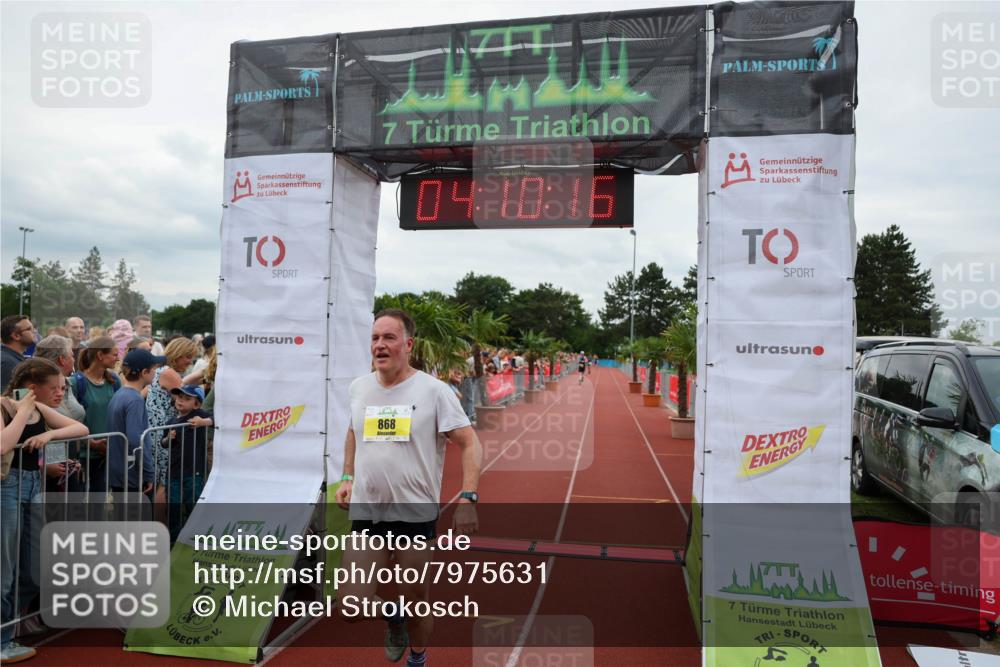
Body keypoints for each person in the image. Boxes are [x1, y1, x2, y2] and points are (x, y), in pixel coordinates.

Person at [335, 308, 482, 667]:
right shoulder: (359, 387)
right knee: (351, 605)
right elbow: (354, 430)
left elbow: (469, 442)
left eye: (389, 337)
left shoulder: (433, 391)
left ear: (408, 344)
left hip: (414, 513)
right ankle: (393, 615)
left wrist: (468, 496)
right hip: (369, 509)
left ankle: (418, 658)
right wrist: (347, 476)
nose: (380, 345)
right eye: (375, 338)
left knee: (418, 600)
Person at [1, 359, 89, 663]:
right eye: (55, 388)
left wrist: (48, 434)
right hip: (6, 490)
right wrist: (23, 410)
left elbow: (81, 427)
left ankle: (8, 632)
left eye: (63, 388)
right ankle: (3, 640)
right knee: (5, 572)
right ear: (33, 387)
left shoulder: (40, 410)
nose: (60, 393)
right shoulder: (4, 406)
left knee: (34, 568)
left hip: (32, 486)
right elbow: (3, 445)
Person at [146, 337, 201, 496]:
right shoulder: (169, 373)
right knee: (165, 484)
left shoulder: (162, 370)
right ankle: (162, 521)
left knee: (162, 483)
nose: (190, 362)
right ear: (178, 354)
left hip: (159, 432)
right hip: (164, 433)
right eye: (188, 357)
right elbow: (189, 400)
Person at [107, 349, 164, 494]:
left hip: (119, 471)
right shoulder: (135, 399)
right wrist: (148, 473)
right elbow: (136, 440)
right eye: (154, 370)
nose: (156, 373)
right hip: (131, 474)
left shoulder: (119, 394)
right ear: (144, 372)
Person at [33, 336, 86, 492]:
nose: (74, 358)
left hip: (68, 463)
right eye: (72, 355)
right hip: (45, 471)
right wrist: (43, 465)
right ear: (62, 359)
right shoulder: (37, 390)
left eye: (61, 389)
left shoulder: (69, 383)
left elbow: (81, 427)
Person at [160, 385, 212, 541]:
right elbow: (163, 443)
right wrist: (168, 438)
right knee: (173, 508)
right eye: (180, 397)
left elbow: (217, 417)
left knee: (193, 507)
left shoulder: (198, 415)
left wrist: (204, 422)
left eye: (187, 398)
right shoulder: (171, 421)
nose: (181, 401)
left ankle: (194, 542)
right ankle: (174, 542)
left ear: (196, 404)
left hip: (194, 472)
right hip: (174, 473)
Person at [73, 336, 121, 491]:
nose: (118, 358)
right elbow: (69, 419)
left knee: (98, 504)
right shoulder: (76, 382)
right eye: (114, 354)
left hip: (105, 456)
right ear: (100, 355)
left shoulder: (114, 380)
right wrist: (92, 443)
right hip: (81, 455)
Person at [1, 316, 35, 393]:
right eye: (29, 329)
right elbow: (5, 397)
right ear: (16, 336)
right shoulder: (7, 363)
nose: (34, 331)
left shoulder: (11, 359)